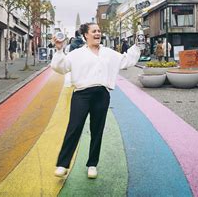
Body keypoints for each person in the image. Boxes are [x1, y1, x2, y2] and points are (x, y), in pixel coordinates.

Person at [51, 22, 140, 179]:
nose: (98, 33)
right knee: (74, 127)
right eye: (94, 31)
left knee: (97, 130)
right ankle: (62, 165)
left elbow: (126, 61)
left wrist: (137, 46)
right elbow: (61, 67)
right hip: (81, 94)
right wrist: (59, 49)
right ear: (86, 35)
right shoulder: (76, 54)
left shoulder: (108, 53)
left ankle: (92, 165)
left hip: (101, 95)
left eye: (99, 31)